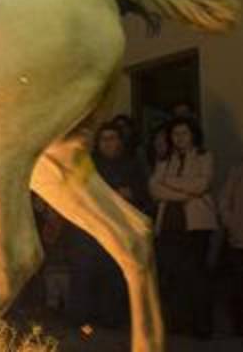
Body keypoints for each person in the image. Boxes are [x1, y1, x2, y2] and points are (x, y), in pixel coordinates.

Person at [66, 123, 149, 328]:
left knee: (113, 274)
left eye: (112, 138)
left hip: (118, 228)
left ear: (120, 142)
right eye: (104, 139)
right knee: (84, 273)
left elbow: (141, 194)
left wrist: (126, 195)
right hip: (89, 227)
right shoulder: (88, 164)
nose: (108, 143)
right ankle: (81, 318)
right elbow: (77, 188)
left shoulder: (132, 164)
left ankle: (111, 318)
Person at [149, 118, 215, 338]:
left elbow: (201, 185)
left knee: (196, 275)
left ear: (193, 134)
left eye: (184, 133)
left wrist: (170, 182)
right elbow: (154, 189)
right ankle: (177, 323)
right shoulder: (165, 159)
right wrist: (184, 193)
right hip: (169, 224)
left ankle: (201, 325)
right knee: (173, 275)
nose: (179, 138)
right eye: (175, 134)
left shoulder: (204, 156)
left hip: (197, 224)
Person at [219, 158, 243, 336]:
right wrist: (232, 224)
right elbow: (225, 201)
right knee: (238, 282)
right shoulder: (237, 171)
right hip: (239, 237)